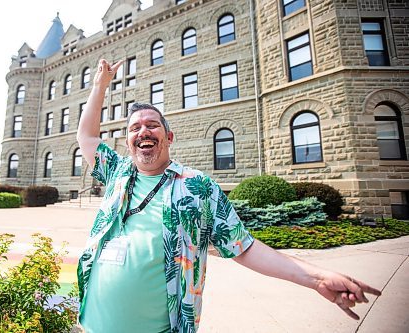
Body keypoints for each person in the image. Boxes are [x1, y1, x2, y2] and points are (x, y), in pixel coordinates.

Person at [76, 59, 381, 333]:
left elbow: (243, 247)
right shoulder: (117, 171)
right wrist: (100, 86)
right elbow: (87, 136)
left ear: (168, 137)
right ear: (129, 141)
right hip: (92, 323)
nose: (143, 131)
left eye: (152, 125)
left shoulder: (198, 186)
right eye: (135, 128)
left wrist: (317, 278)